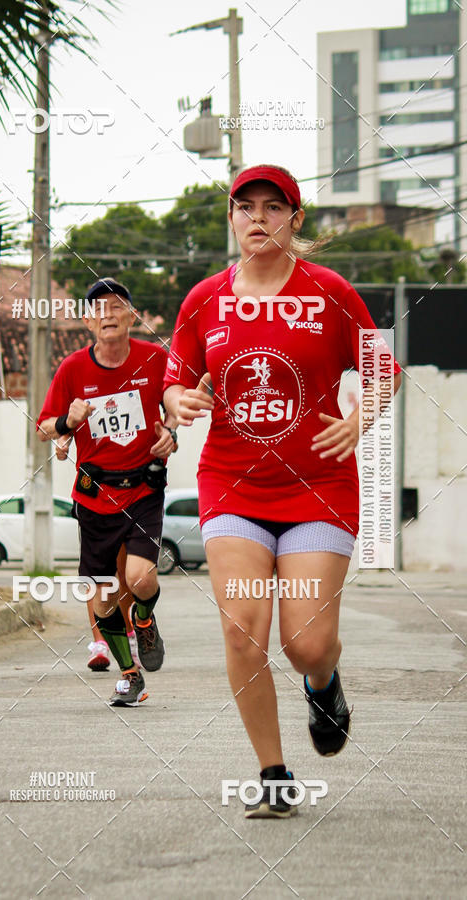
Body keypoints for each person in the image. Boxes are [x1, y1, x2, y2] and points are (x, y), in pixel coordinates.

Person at [163, 165, 401, 818]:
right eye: (247, 207)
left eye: (275, 207)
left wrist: (361, 415)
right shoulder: (205, 299)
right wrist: (176, 399)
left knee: (306, 643)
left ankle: (323, 682)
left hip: (319, 488)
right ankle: (273, 775)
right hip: (231, 487)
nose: (259, 217)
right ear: (233, 218)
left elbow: (386, 369)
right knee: (245, 633)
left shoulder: (328, 292)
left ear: (296, 220)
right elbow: (176, 377)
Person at [37, 277, 178, 706]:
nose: (108, 315)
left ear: (133, 317)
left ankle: (145, 618)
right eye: (98, 309)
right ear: (87, 321)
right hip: (94, 496)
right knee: (101, 600)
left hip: (143, 488)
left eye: (117, 307)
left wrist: (170, 432)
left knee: (138, 578)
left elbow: (175, 404)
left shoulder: (156, 358)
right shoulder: (72, 369)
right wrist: (68, 422)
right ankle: (130, 675)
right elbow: (45, 425)